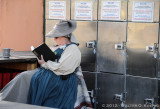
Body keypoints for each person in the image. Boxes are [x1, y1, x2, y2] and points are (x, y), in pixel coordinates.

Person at [0, 20, 93, 109]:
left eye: (56, 37)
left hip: (61, 79)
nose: (54, 39)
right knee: (23, 76)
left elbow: (63, 69)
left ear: (64, 36)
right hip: (50, 75)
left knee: (25, 77)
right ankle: (4, 99)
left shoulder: (73, 49)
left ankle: (5, 101)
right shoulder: (61, 47)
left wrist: (44, 64)